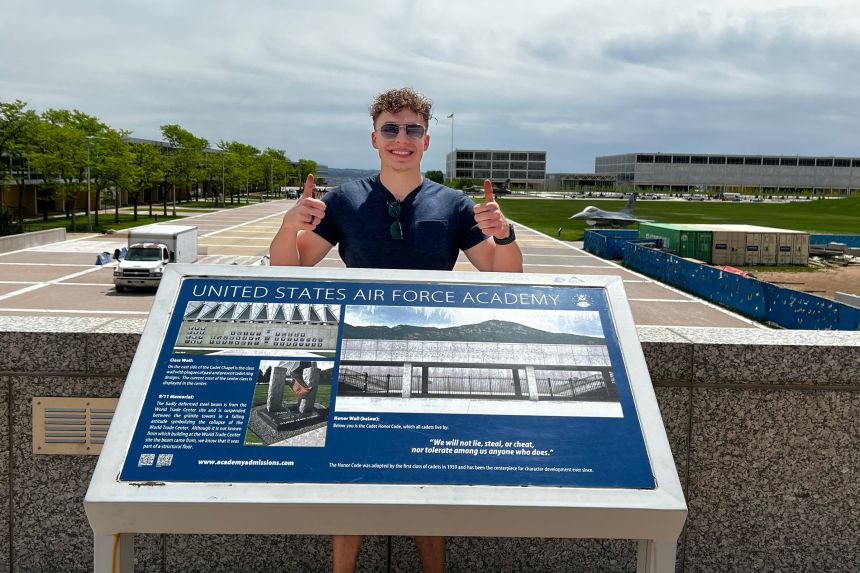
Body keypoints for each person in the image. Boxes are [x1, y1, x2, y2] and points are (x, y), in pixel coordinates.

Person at [270, 87, 523, 573]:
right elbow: (294, 265)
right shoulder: (345, 199)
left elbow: (502, 274)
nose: (400, 139)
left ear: (426, 140)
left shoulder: (453, 204)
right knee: (350, 474)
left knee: (427, 476)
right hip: (355, 346)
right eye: (391, 129)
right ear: (374, 138)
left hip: (429, 347)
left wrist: (504, 234)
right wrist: (288, 226)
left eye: (412, 130)